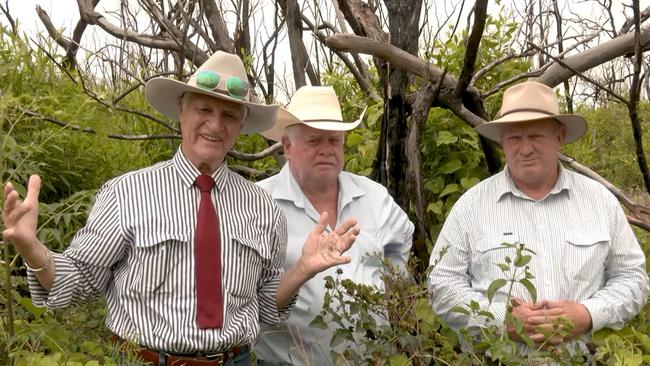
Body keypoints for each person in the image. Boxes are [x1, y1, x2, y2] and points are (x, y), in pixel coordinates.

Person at [2, 51, 361, 366]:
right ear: (182, 109)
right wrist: (32, 249)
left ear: (241, 126)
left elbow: (265, 305)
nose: (215, 124)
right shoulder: (127, 193)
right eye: (204, 109)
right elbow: (78, 284)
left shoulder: (262, 208)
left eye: (229, 115)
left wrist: (301, 270)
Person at [428, 81, 649, 351]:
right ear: (502, 142)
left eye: (535, 136)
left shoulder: (600, 202)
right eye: (514, 138)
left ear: (559, 136)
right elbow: (441, 285)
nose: (525, 149)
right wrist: (501, 319)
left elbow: (633, 279)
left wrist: (587, 314)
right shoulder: (471, 207)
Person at [253, 86, 414, 365]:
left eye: (334, 140)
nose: (326, 150)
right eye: (314, 141)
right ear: (287, 147)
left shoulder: (374, 197)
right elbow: (242, 298)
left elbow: (401, 248)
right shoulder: (257, 204)